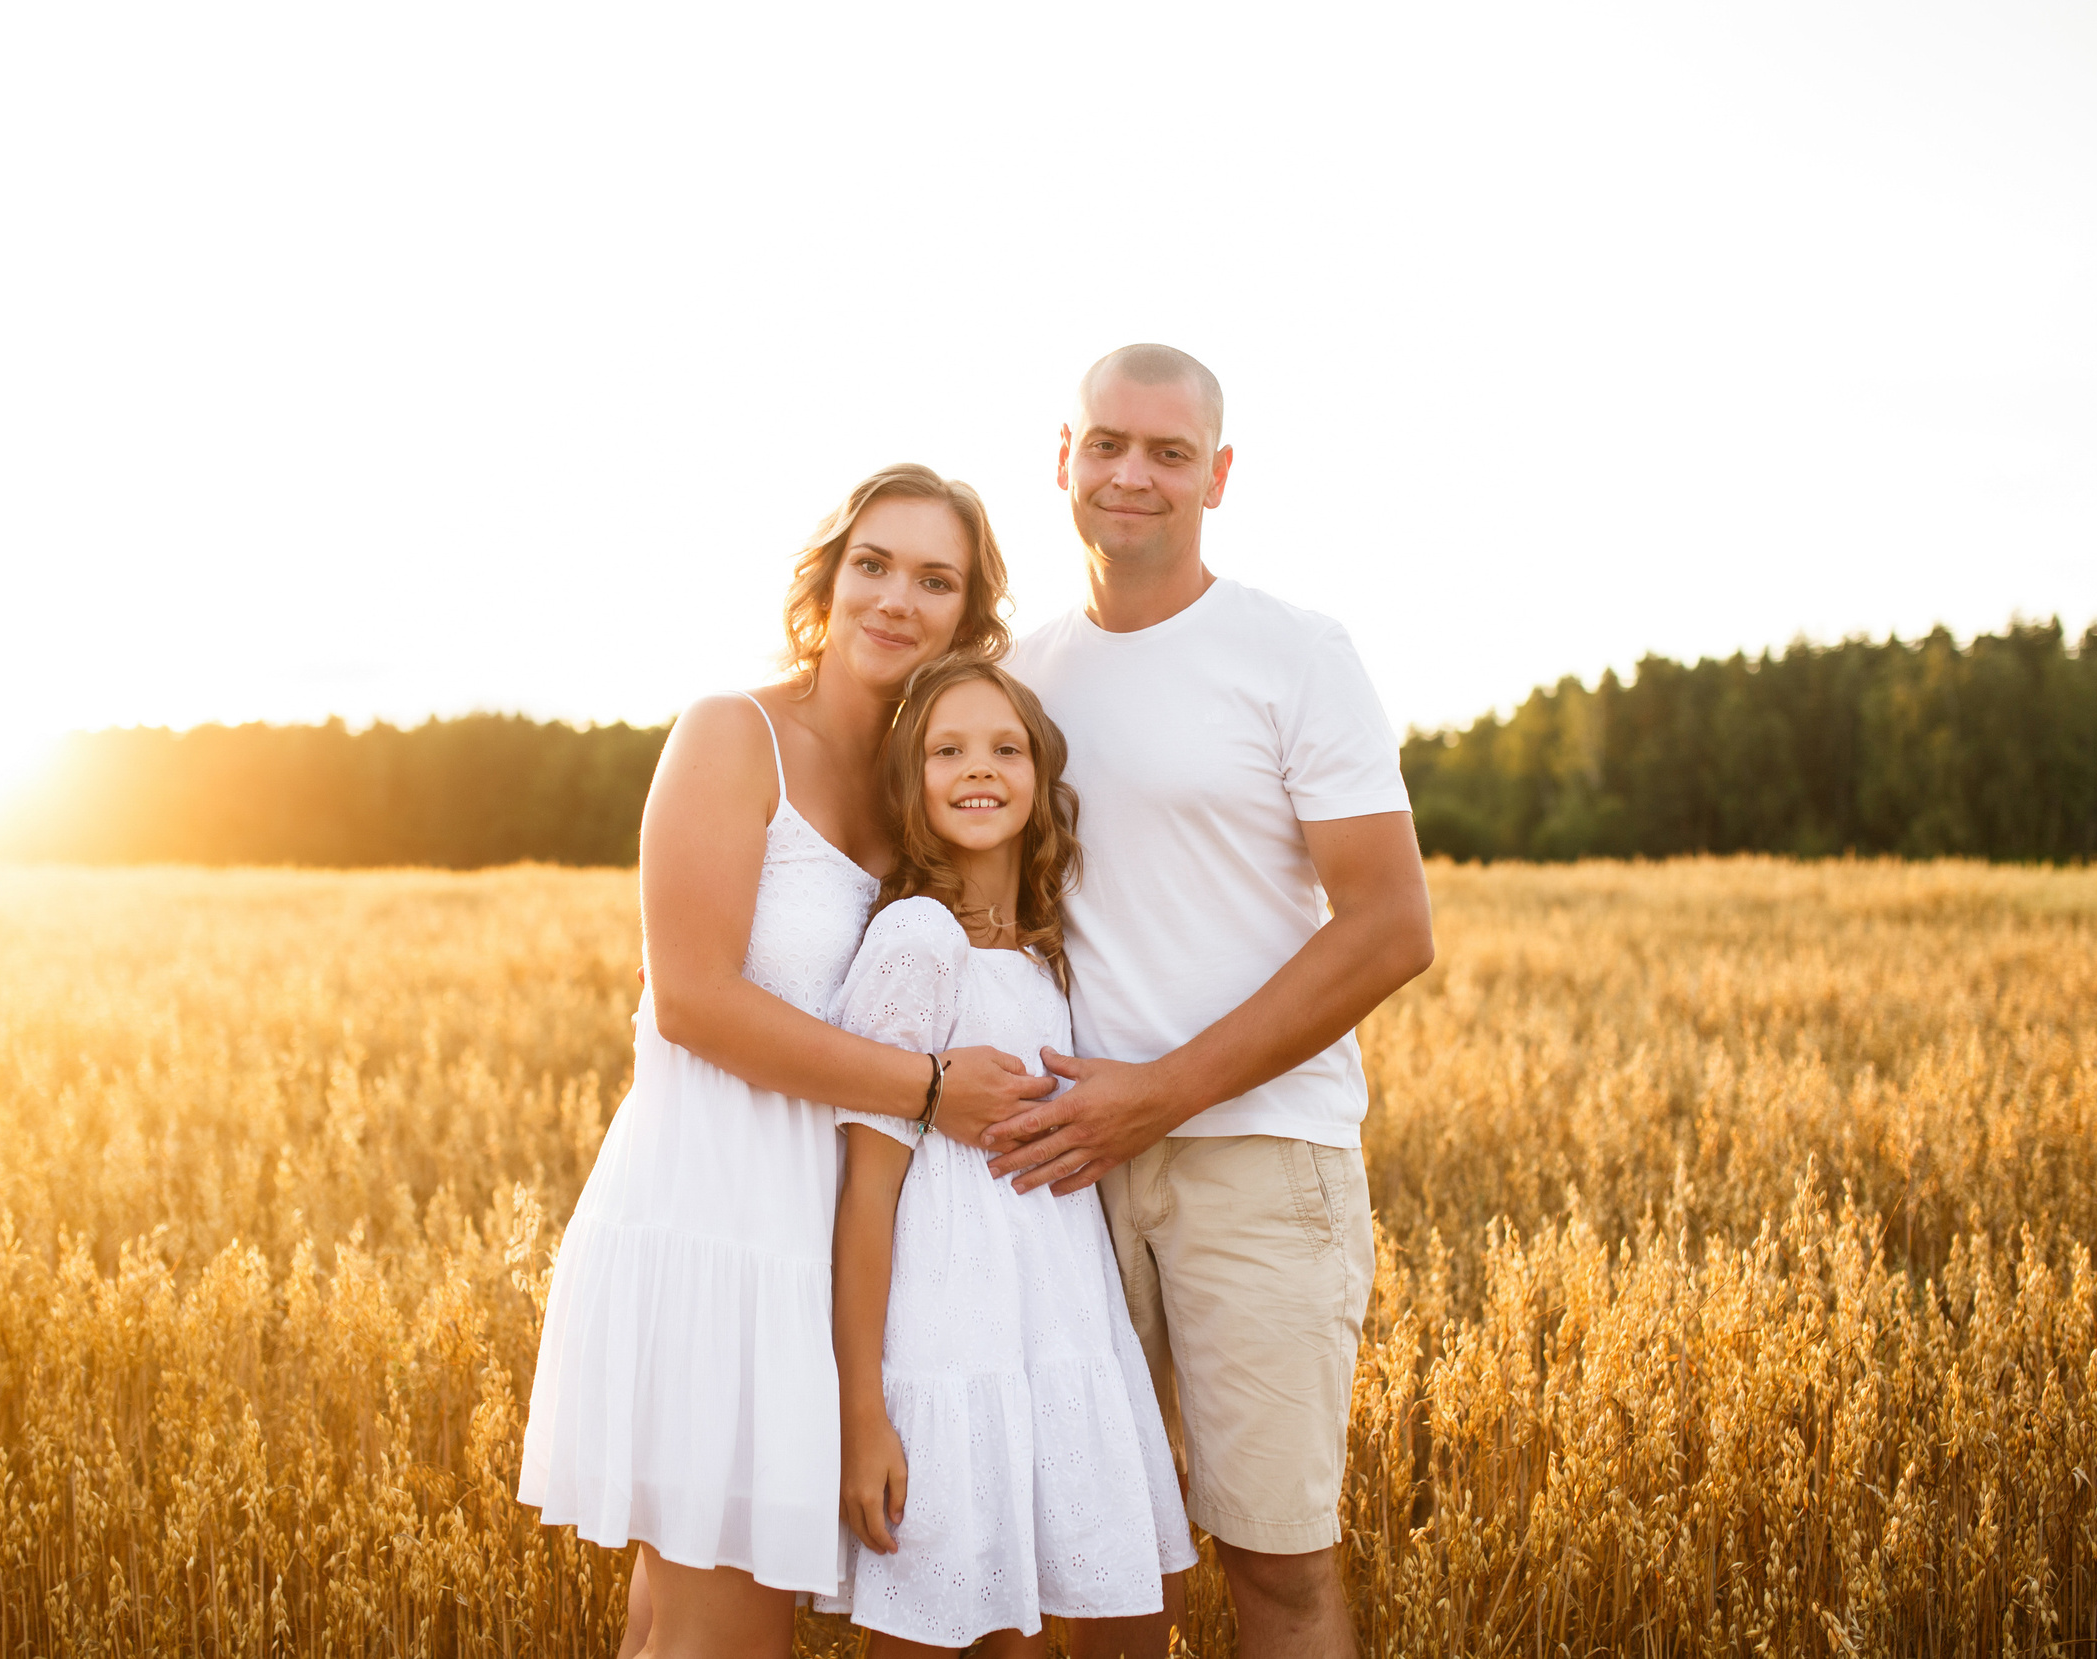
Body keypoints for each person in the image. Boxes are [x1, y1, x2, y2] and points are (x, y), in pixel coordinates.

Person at [516, 464, 1057, 1659]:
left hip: (818, 1251)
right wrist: (926, 1094)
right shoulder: (733, 732)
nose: (894, 599)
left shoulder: (920, 787)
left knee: (677, 1635)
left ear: (968, 620)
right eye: (872, 564)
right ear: (829, 577)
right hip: (712, 1224)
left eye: (934, 580)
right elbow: (697, 1003)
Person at [996, 346, 1437, 1659]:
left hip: (1257, 1154)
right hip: (1065, 1168)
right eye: (1108, 442)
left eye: (1170, 451)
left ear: (1219, 475)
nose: (1134, 473)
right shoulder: (1013, 676)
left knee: (1274, 1560)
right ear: (1062, 456)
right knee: (1097, 1559)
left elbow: (1389, 924)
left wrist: (1162, 1090)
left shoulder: (1293, 652)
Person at [822, 654, 1195, 1658]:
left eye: (1004, 748)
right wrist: (865, 1413)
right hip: (952, 1353)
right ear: (909, 781)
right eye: (946, 750)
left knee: (1118, 1620)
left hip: (1066, 1341)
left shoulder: (1048, 952)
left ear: (1039, 778)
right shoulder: (914, 940)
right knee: (956, 1628)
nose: (976, 769)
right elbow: (866, 1195)